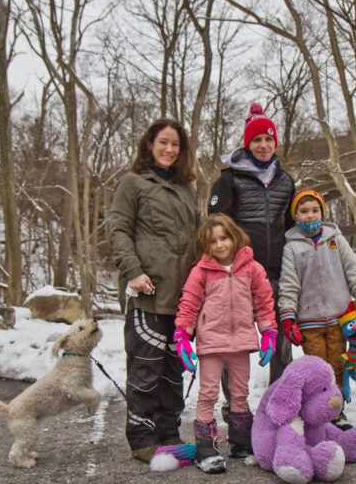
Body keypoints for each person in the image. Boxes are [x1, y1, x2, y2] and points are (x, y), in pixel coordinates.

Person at [109, 118, 199, 464]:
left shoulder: (186, 188)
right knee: (146, 371)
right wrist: (132, 271)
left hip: (181, 298)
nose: (169, 149)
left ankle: (169, 432)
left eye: (175, 144)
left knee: (173, 370)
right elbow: (118, 230)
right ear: (149, 144)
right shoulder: (132, 184)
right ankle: (143, 439)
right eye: (163, 142)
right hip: (146, 293)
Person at [207, 102, 295, 415]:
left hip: (276, 274)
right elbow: (215, 226)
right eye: (256, 140)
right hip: (240, 274)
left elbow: (292, 227)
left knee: (282, 343)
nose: (263, 145)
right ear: (248, 144)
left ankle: (281, 408)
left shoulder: (285, 181)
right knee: (235, 344)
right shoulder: (229, 180)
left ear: (275, 143)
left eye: (268, 139)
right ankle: (237, 411)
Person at [173, 213, 277, 473]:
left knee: (239, 393)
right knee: (208, 393)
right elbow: (189, 304)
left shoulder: (252, 268)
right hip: (211, 342)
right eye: (212, 242)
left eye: (224, 238)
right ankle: (205, 448)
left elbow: (264, 302)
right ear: (205, 246)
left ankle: (240, 441)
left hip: (241, 341)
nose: (219, 245)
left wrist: (269, 333)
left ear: (234, 237)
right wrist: (182, 335)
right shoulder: (202, 271)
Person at [277, 189, 356, 430]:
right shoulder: (292, 248)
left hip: (339, 317)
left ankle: (337, 411)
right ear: (296, 215)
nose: (310, 216)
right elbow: (289, 284)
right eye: (304, 211)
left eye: (314, 210)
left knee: (337, 365)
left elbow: (352, 270)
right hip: (309, 322)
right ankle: (317, 413)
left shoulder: (335, 240)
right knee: (318, 370)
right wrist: (288, 316)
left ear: (322, 212)